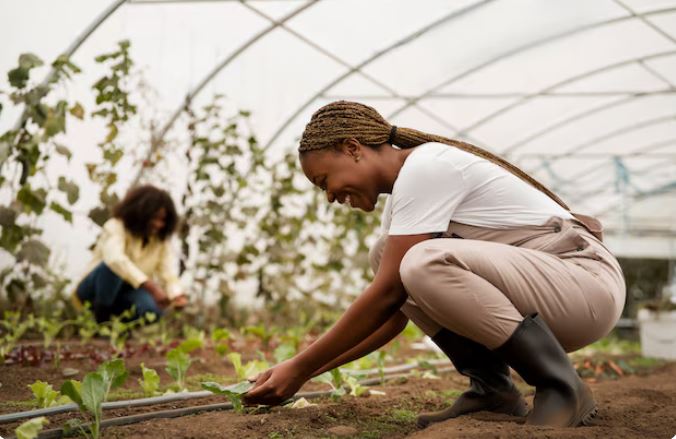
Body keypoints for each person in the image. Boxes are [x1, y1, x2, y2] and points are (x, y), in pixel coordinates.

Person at [243, 101, 626, 428]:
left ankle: (562, 385)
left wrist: (298, 366)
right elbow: (392, 314)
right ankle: (492, 390)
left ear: (353, 148)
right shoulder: (404, 201)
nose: (328, 196)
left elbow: (388, 292)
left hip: (584, 285)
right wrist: (302, 372)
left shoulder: (429, 166)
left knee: (420, 262)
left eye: (325, 179)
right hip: (553, 294)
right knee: (389, 256)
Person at [73, 185, 188, 323]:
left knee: (151, 309)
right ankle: (99, 322)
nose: (158, 224)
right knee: (112, 271)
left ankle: (117, 329)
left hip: (128, 293)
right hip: (95, 291)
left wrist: (175, 294)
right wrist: (150, 285)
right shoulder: (116, 226)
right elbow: (114, 260)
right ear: (141, 213)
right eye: (155, 218)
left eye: (163, 220)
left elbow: (167, 273)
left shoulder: (159, 241)